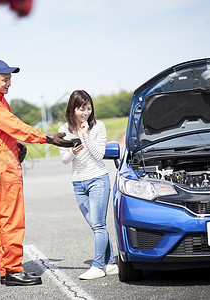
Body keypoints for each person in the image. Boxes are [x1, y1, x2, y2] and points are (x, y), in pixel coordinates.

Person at [0, 60, 73, 286]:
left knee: (5, 219)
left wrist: (17, 146)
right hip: (4, 165)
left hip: (5, 162)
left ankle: (7, 270)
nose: (9, 83)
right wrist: (48, 137)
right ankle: (12, 270)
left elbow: (5, 132)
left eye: (10, 79)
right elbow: (15, 126)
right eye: (4, 79)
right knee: (12, 219)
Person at [58, 90, 118, 280]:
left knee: (99, 224)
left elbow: (99, 154)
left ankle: (98, 266)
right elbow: (64, 160)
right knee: (95, 225)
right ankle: (111, 263)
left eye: (88, 108)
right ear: (72, 109)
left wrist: (85, 135)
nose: (86, 113)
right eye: (81, 109)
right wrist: (73, 152)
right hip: (78, 183)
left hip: (98, 179)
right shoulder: (64, 129)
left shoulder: (98, 126)